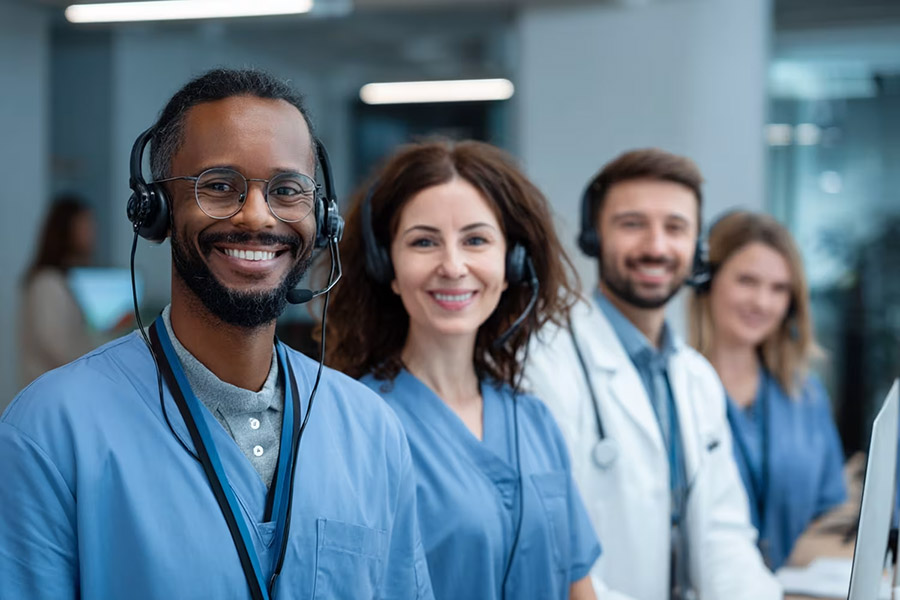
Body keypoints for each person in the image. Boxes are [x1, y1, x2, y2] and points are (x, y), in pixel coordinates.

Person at [0, 68, 433, 600]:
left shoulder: (371, 431)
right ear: (154, 210)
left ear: (322, 218)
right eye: (220, 187)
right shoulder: (51, 429)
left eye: (287, 190)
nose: (257, 216)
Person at [326, 140, 600, 599]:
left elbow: (578, 586)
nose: (453, 266)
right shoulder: (356, 428)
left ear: (512, 263)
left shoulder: (535, 422)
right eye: (424, 241)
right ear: (386, 267)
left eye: (476, 240)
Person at [525, 149, 781, 600]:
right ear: (593, 236)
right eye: (632, 224)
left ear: (696, 247)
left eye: (675, 228)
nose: (656, 247)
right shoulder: (545, 360)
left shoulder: (696, 377)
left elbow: (725, 533)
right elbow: (551, 548)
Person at [688, 210, 846, 570]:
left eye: (779, 289)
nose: (762, 302)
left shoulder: (805, 396)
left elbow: (829, 509)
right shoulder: (675, 386)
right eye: (747, 281)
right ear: (706, 282)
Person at [19, 195, 99, 387]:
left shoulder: (62, 282)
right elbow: (55, 347)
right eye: (86, 226)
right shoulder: (47, 284)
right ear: (67, 230)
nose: (93, 234)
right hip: (48, 393)